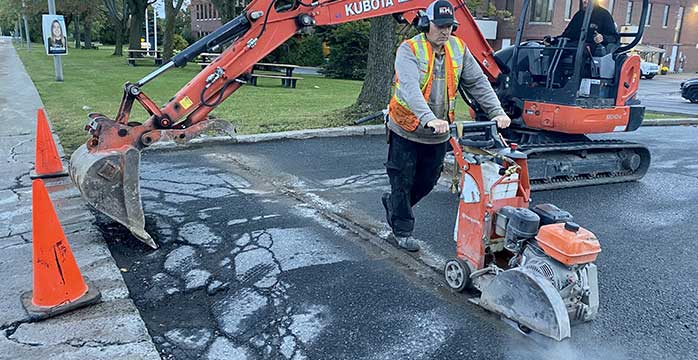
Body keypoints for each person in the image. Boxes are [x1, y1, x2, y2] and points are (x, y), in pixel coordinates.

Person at [382, 0, 511, 252]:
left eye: (450, 26)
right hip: (406, 129)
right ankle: (402, 231)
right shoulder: (409, 49)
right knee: (402, 181)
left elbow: (478, 83)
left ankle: (396, 205)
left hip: (437, 135)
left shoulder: (458, 48)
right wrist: (428, 117)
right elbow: (409, 89)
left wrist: (497, 111)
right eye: (440, 26)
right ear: (426, 23)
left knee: (427, 181)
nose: (445, 31)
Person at [550, 0, 619, 53]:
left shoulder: (604, 14)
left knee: (580, 51)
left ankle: (578, 72)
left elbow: (614, 37)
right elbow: (567, 34)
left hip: (592, 47)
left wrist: (602, 38)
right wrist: (553, 40)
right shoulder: (579, 15)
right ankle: (553, 71)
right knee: (553, 50)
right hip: (575, 45)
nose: (584, 1)